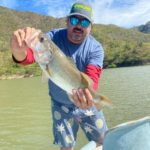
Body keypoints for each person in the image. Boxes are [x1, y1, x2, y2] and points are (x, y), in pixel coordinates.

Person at [11, 1, 108, 150]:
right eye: (74, 20)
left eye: (84, 22)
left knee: (103, 140)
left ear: (91, 26)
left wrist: (89, 99)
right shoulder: (52, 37)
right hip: (60, 106)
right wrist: (18, 51)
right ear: (67, 21)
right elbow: (29, 57)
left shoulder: (95, 48)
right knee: (66, 147)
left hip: (87, 102)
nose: (78, 26)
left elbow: (92, 78)